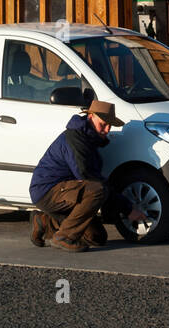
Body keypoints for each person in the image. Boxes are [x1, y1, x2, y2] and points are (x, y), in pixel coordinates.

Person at [28, 100, 144, 252]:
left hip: (68, 193)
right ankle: (63, 237)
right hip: (47, 191)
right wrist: (127, 209)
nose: (107, 129)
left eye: (110, 126)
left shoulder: (89, 140)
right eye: (103, 124)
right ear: (90, 118)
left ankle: (45, 221)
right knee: (98, 189)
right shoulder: (75, 139)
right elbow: (88, 177)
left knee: (97, 237)